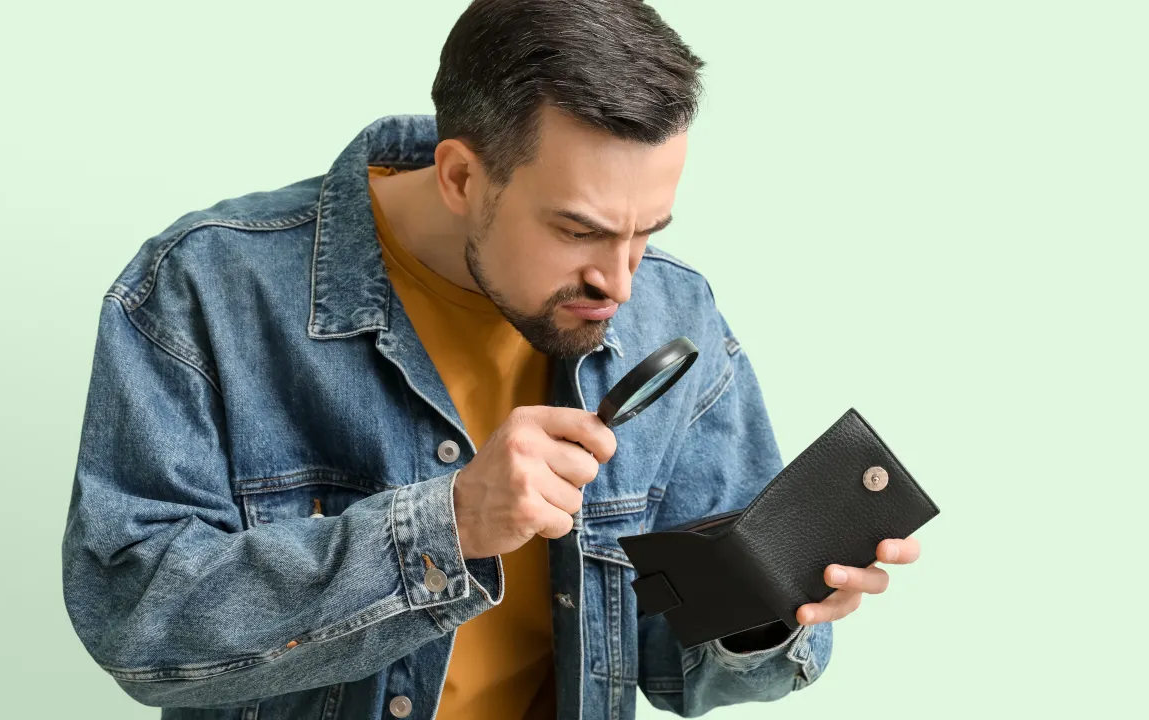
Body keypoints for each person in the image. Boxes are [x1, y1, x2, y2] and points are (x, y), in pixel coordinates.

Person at [61, 1, 921, 719]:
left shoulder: (676, 306)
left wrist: (765, 613)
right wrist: (450, 526)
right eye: (578, 230)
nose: (620, 281)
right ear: (461, 177)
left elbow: (671, 661)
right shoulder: (204, 290)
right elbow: (135, 621)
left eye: (648, 232)